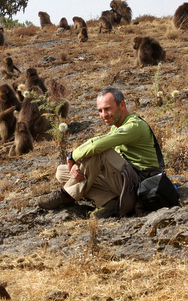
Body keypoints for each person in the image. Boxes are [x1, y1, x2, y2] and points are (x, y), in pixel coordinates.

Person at [36, 87, 161, 218]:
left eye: (107, 109)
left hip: (140, 185)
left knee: (101, 152)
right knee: (62, 171)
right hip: (124, 180)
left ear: (122, 105)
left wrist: (72, 156)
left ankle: (65, 194)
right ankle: (110, 201)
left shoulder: (134, 126)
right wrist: (77, 164)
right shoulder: (116, 126)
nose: (103, 115)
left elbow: (97, 145)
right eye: (100, 111)